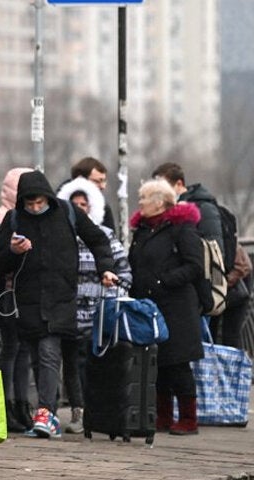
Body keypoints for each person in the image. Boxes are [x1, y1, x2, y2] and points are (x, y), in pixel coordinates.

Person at [0, 170, 118, 439]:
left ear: (48, 198)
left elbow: (97, 239)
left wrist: (105, 269)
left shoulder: (68, 212)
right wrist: (14, 253)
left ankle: (46, 413)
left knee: (50, 352)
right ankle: (43, 412)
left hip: (61, 298)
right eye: (30, 204)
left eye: (40, 203)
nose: (36, 208)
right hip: (28, 301)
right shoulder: (14, 219)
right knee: (38, 357)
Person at [55, 177, 132, 434]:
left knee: (95, 365)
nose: (80, 208)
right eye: (74, 204)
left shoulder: (106, 236)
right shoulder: (62, 237)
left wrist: (111, 288)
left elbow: (124, 273)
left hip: (99, 315)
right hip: (68, 311)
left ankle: (98, 412)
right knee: (71, 363)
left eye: (84, 204)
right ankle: (78, 412)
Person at [129, 179, 205, 436]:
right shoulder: (142, 230)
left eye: (144, 198)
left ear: (160, 202)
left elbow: (195, 265)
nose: (139, 203)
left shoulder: (181, 228)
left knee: (178, 363)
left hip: (177, 306)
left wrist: (165, 280)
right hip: (149, 306)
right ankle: (161, 415)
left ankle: (188, 418)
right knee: (157, 362)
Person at [0, 167, 34, 432]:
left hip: (18, 295)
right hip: (8, 296)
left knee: (20, 350)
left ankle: (19, 404)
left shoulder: (11, 215)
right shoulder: (6, 217)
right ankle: (8, 404)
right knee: (12, 350)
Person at [152, 162, 224, 251]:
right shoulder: (166, 211)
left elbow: (215, 249)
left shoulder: (204, 208)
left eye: (163, 188)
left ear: (179, 184)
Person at [68, 157, 116, 231]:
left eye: (104, 181)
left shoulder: (104, 208)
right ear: (80, 180)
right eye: (97, 181)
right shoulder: (59, 205)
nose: (103, 186)